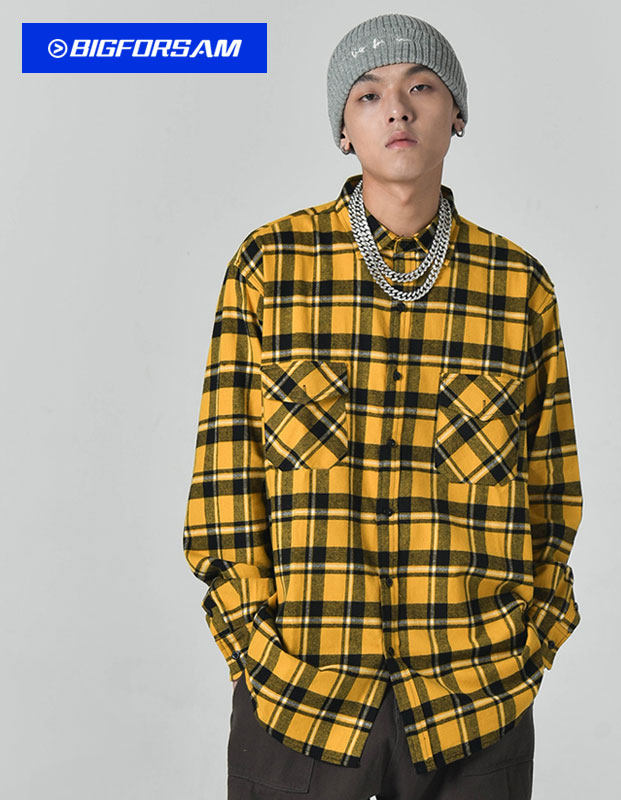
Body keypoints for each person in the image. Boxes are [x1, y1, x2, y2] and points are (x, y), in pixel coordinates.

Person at [183, 13, 583, 800]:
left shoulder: (518, 289)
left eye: (421, 87)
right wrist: (258, 654)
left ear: (456, 113)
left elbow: (552, 496)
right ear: (344, 129)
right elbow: (224, 490)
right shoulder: (271, 269)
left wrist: (525, 652)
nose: (396, 108)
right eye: (368, 95)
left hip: (475, 705)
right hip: (299, 704)